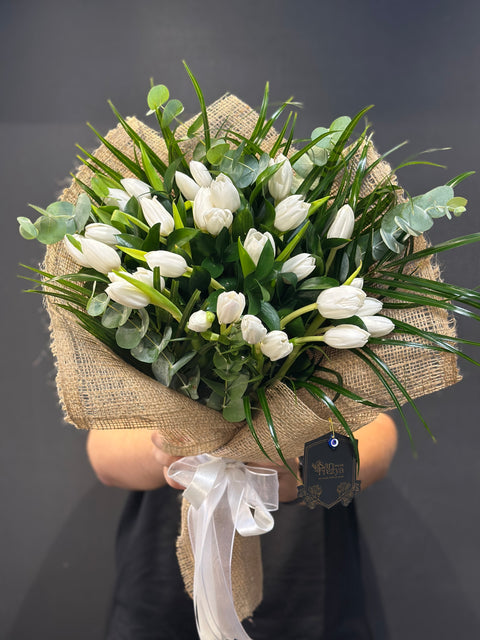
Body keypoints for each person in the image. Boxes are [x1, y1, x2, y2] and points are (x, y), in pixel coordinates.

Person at [87, 413, 397, 640]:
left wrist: (305, 473)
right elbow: (103, 452)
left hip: (312, 598)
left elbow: (378, 435)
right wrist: (178, 450)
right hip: (160, 600)